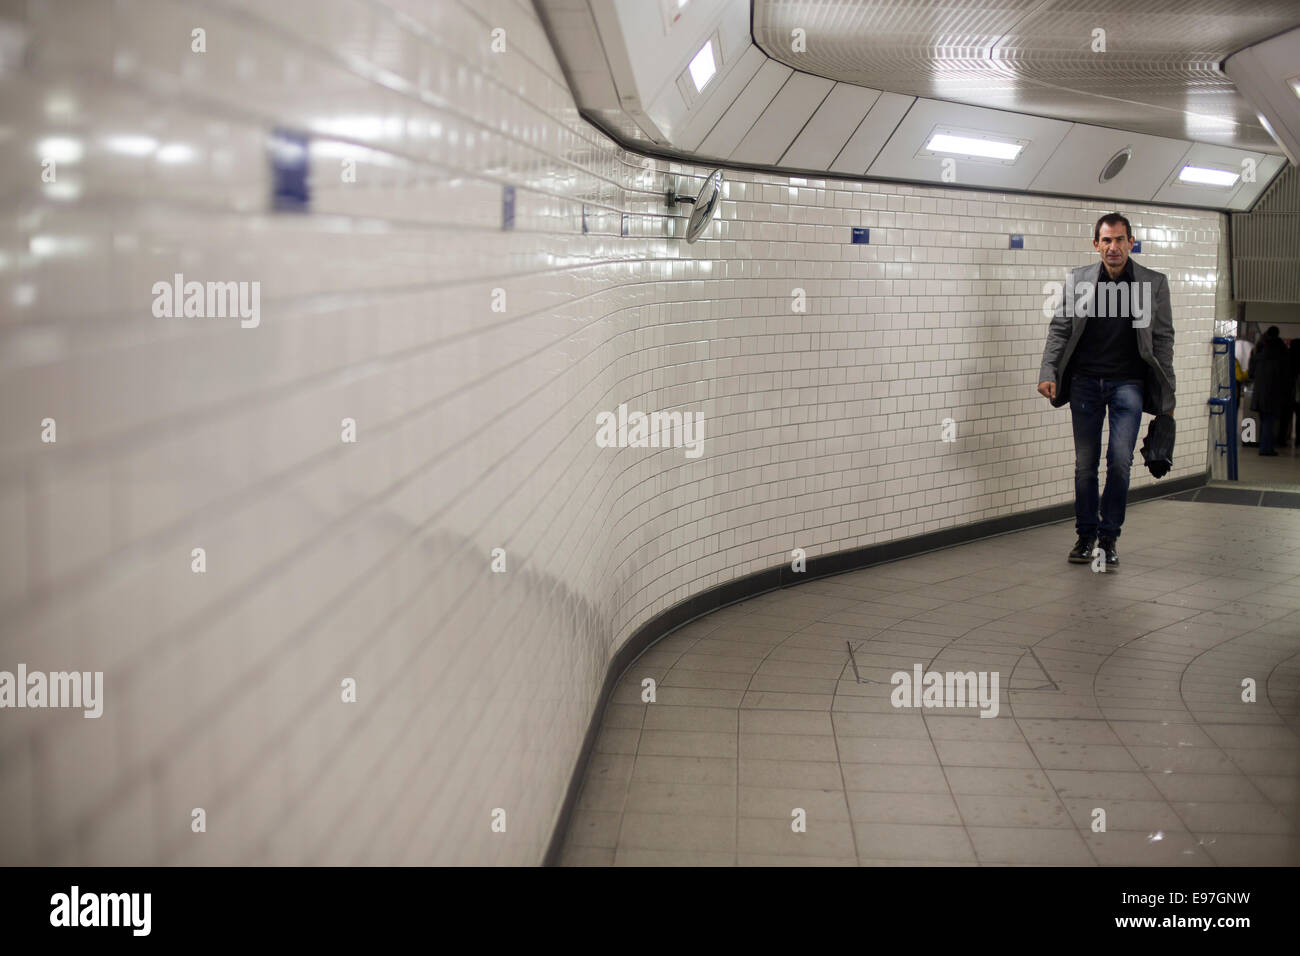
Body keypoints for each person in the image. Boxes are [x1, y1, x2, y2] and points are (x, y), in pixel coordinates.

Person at [1037, 213, 1176, 571]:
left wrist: (1167, 398)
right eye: (1106, 240)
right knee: (1085, 466)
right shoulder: (1080, 280)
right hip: (1085, 382)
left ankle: (1109, 538)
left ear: (1132, 242)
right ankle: (1085, 536)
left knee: (1119, 462)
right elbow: (1060, 330)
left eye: (1119, 240)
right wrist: (1048, 371)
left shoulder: (1152, 283)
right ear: (1096, 244)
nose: (1113, 247)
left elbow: (1162, 342)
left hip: (1128, 384)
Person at [1249, 327, 1289, 456]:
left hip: (1259, 393)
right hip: (1273, 393)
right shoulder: (1280, 353)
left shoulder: (1257, 351)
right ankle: (1266, 449)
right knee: (1269, 422)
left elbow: (1251, 373)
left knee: (1264, 421)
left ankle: (1264, 447)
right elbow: (1284, 375)